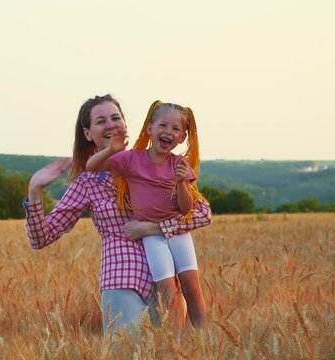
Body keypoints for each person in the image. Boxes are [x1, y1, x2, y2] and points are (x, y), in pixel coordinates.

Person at [23, 95, 212, 336]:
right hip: (122, 276)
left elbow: (202, 213)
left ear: (126, 124)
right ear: (88, 133)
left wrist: (152, 229)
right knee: (125, 350)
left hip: (167, 277)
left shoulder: (154, 163)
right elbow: (41, 238)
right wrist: (35, 191)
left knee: (174, 350)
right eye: (101, 121)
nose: (111, 125)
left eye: (116, 118)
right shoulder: (88, 183)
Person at [86, 100, 208, 328]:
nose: (168, 132)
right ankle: (176, 342)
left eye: (175, 129)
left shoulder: (179, 164)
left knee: (192, 287)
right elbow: (92, 167)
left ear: (182, 138)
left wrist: (181, 182)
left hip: (178, 234)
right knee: (167, 290)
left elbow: (185, 209)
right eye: (163, 125)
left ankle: (204, 339)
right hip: (152, 237)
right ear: (149, 129)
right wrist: (111, 150)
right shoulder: (132, 159)